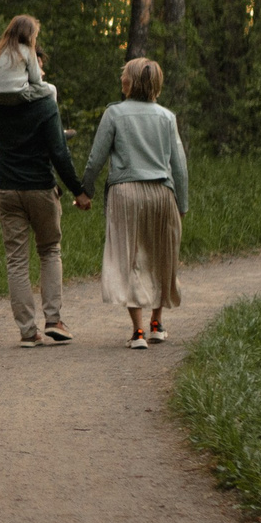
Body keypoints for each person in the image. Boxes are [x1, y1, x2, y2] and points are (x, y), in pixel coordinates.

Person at [0, 15, 90, 347]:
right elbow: (59, 153)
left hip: (7, 189)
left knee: (16, 261)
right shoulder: (46, 103)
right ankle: (54, 319)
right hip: (40, 189)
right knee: (49, 250)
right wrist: (78, 190)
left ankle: (28, 332)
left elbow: (8, 141)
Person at [80, 56, 189, 350]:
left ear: (132, 82)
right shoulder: (167, 117)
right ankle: (157, 324)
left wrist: (85, 191)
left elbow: (95, 158)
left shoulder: (114, 114)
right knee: (160, 256)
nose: (121, 79)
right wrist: (182, 203)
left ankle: (137, 332)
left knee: (128, 257)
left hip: (125, 193)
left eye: (124, 75)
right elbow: (179, 166)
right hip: (161, 194)